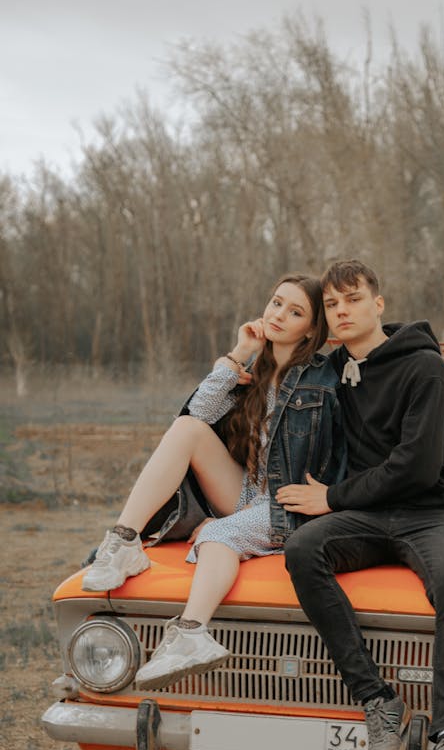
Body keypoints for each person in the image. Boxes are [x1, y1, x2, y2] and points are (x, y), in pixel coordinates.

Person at [82, 273, 344, 691]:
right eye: (276, 303)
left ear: (311, 329)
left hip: (287, 505)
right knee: (188, 431)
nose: (278, 315)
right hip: (245, 493)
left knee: (218, 533)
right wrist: (239, 353)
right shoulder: (255, 370)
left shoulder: (320, 379)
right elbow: (194, 415)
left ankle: (190, 632)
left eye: (295, 312)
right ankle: (124, 539)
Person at [279, 260, 444, 750]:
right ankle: (378, 702)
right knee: (302, 550)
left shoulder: (424, 370)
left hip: (427, 510)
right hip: (366, 516)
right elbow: (278, 373)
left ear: (379, 305)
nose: (342, 311)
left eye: (353, 299)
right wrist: (252, 341)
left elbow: (415, 466)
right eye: (332, 305)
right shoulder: (332, 370)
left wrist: (333, 497)